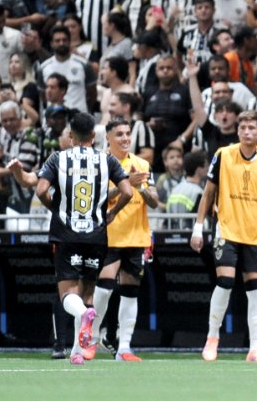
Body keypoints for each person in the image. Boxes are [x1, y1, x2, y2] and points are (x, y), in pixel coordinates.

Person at [7, 112, 135, 366]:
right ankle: (77, 351)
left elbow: (40, 188)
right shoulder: (106, 159)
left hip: (66, 234)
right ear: (94, 136)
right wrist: (111, 213)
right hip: (97, 235)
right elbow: (128, 192)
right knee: (87, 293)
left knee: (68, 295)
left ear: (70, 135)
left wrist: (52, 206)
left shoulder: (58, 158)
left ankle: (83, 325)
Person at [190, 110, 257, 363]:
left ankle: (255, 349)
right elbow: (208, 193)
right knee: (225, 282)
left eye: (251, 128)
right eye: (243, 127)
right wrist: (198, 227)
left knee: (255, 288)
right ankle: (212, 339)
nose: (247, 131)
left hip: (255, 232)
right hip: (227, 228)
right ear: (238, 131)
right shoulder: (223, 156)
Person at [85, 118, 157, 362]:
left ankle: (124, 347)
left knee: (130, 292)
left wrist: (142, 188)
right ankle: (92, 339)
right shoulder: (99, 163)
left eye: (128, 134)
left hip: (137, 236)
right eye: (120, 134)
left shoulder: (142, 163)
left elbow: (156, 201)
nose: (126, 138)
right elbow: (95, 199)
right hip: (108, 235)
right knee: (104, 288)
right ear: (108, 138)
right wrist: (124, 183)